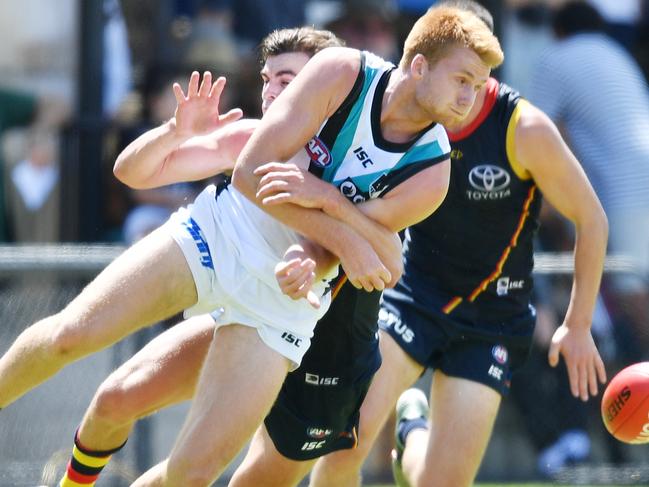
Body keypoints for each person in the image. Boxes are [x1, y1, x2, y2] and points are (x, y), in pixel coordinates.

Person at [1, 6, 502, 486]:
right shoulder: (343, 74)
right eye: (463, 81)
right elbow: (249, 174)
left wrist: (319, 217)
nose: (471, 98)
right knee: (73, 337)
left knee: (193, 474)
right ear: (418, 66)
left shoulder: (433, 170)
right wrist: (339, 231)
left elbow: (358, 249)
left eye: (478, 87)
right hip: (223, 234)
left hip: (283, 303)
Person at [305, 2, 608, 487]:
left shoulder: (523, 128)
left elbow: (592, 219)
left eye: (479, 77)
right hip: (412, 297)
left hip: (491, 320)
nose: (466, 93)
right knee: (344, 441)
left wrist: (578, 324)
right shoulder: (414, 110)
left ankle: (411, 429)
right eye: (459, 75)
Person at [528, 0, 649, 361]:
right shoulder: (616, 53)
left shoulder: (557, 57)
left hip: (625, 186)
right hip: (640, 171)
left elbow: (533, 130)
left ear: (558, 31)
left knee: (632, 287)